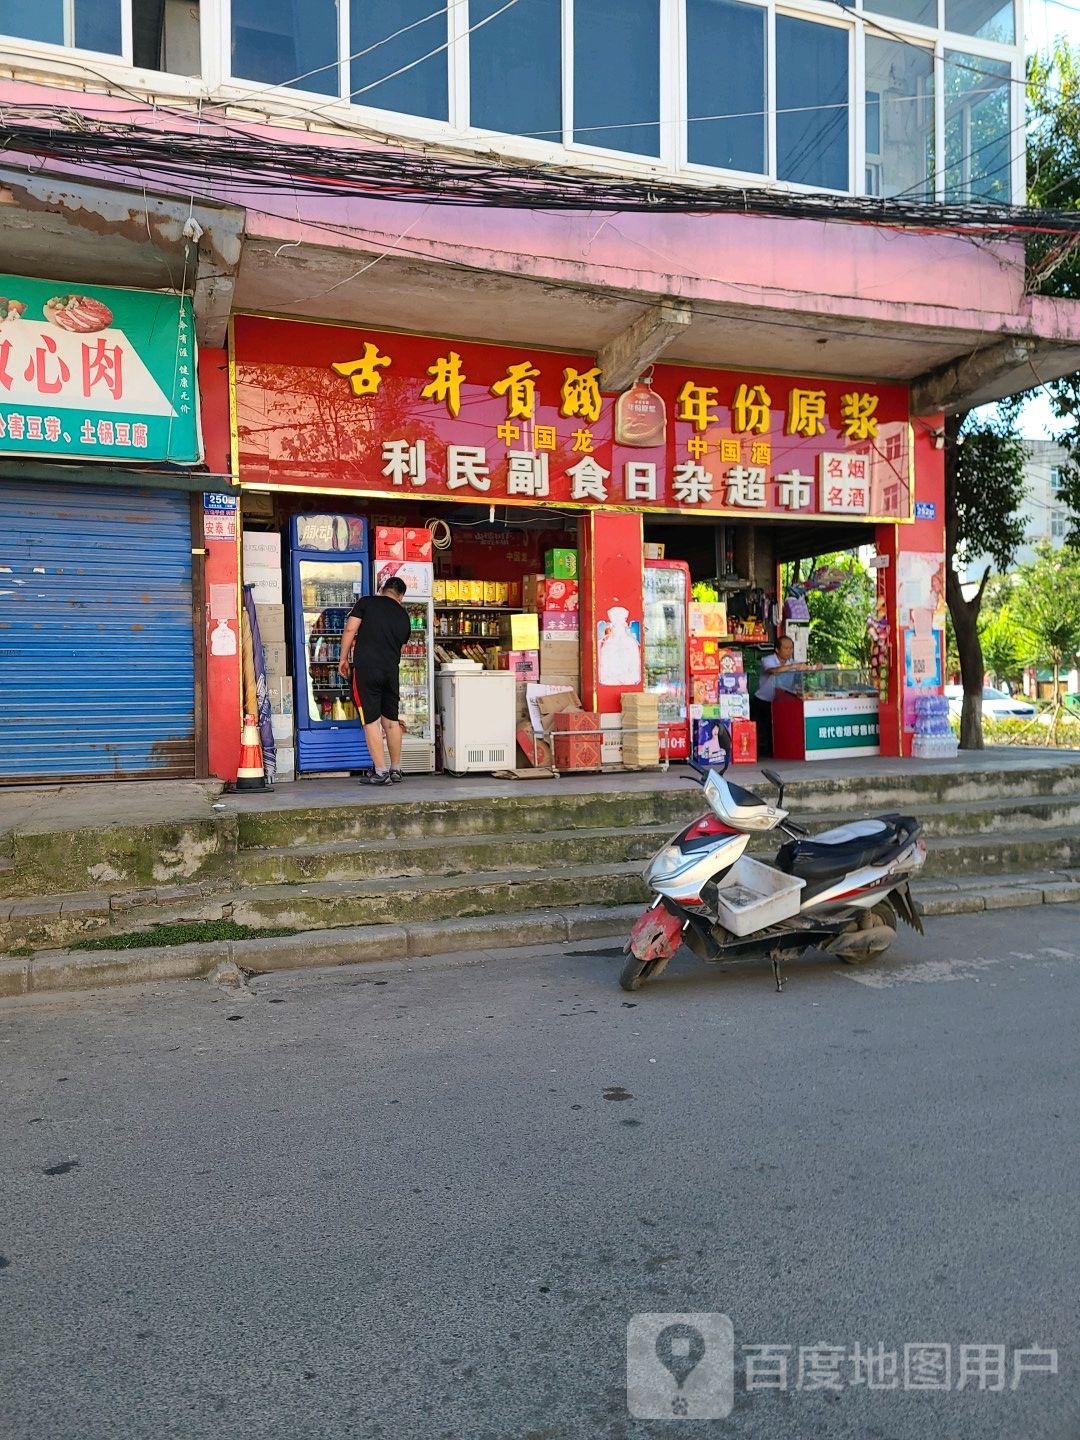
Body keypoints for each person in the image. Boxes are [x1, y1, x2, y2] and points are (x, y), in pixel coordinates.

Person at [337, 576, 412, 786]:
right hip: (391, 671)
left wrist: (343, 659)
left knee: (370, 720)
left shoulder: (367, 602)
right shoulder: (403, 616)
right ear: (401, 597)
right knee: (391, 721)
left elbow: (351, 629)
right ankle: (395, 769)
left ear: (382, 589)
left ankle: (380, 772)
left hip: (367, 669)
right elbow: (401, 650)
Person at [751, 636, 815, 759]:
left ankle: (775, 753)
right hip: (762, 701)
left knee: (776, 730)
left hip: (780, 702)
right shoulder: (768, 660)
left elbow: (801, 675)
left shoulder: (793, 663)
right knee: (761, 730)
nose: (789, 651)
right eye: (786, 648)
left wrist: (814, 668)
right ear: (777, 649)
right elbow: (774, 671)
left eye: (791, 648)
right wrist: (793, 667)